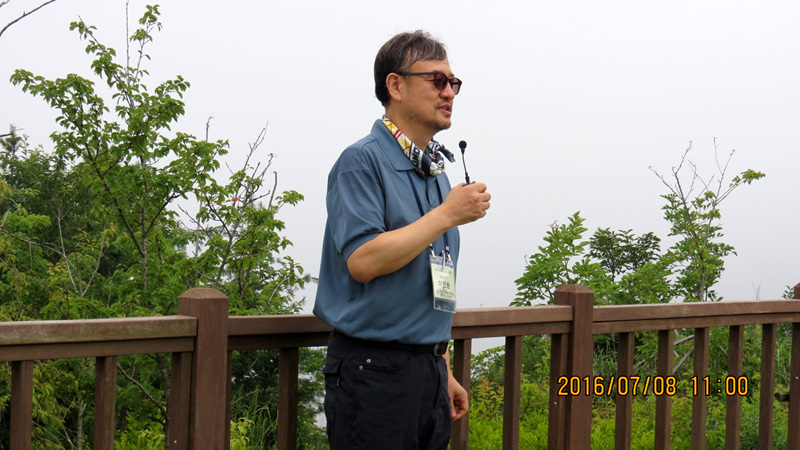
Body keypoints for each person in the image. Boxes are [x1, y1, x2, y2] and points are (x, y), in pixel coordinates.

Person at [313, 30, 491, 449]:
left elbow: (429, 283)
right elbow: (363, 260)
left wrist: (441, 367)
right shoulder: (361, 161)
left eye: (453, 83)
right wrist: (446, 214)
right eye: (437, 80)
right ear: (395, 85)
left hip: (426, 372)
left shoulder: (434, 172)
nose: (449, 92)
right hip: (372, 372)